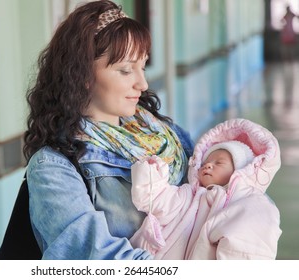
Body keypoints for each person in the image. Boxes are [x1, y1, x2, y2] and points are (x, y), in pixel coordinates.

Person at [23, 0, 194, 260]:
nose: (143, 83)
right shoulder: (53, 167)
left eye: (143, 66)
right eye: (125, 70)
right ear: (82, 75)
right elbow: (102, 260)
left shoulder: (166, 135)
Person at [130, 118, 282, 259]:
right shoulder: (187, 196)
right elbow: (155, 200)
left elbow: (246, 247)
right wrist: (150, 173)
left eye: (219, 162)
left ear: (240, 171)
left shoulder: (248, 204)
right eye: (205, 162)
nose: (208, 165)